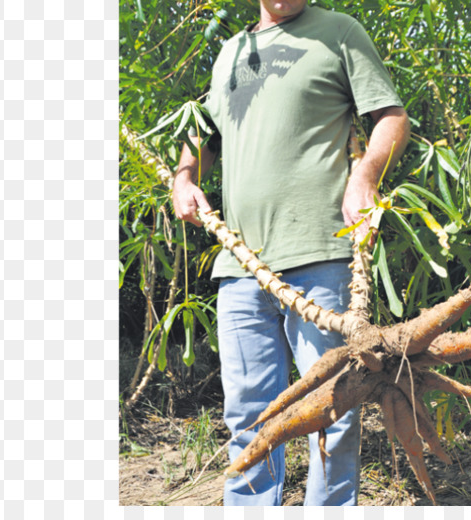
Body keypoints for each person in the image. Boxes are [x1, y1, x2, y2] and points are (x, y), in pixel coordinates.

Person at [171, 0, 410, 506]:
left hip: (321, 252)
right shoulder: (231, 51)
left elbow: (390, 117)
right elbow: (205, 132)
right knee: (248, 414)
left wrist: (364, 176)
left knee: (333, 412)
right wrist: (184, 177)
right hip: (239, 264)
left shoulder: (339, 32)